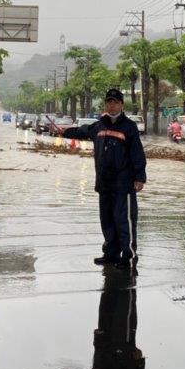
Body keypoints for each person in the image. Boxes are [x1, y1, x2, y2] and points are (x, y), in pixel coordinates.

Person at [63, 88, 147, 268]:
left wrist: (140, 177)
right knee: (107, 219)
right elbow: (82, 131)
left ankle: (127, 254)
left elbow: (137, 154)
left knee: (123, 219)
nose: (112, 105)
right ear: (105, 104)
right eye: (109, 101)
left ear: (122, 105)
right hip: (104, 183)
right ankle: (111, 253)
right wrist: (65, 132)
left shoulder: (129, 127)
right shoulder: (99, 125)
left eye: (116, 102)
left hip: (123, 184)